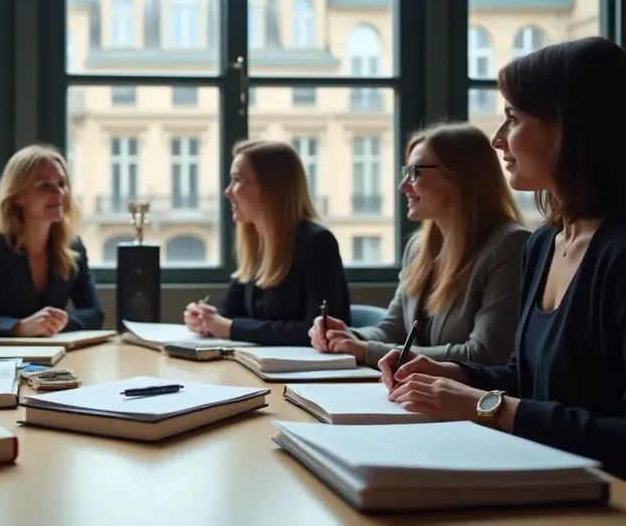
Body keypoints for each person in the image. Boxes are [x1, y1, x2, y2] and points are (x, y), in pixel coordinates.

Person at [380, 37, 626, 479]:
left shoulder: (619, 254)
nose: (497, 139)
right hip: (540, 477)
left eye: (512, 118)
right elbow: (525, 380)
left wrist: (482, 405)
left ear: (569, 128)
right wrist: (454, 373)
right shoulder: (543, 244)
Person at [307, 123, 529, 368]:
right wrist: (349, 337)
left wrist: (367, 350)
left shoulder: (511, 246)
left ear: (460, 177)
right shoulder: (418, 247)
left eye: (415, 172)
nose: (403, 186)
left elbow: (484, 355)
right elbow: (393, 330)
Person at [183, 140, 350, 345]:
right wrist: (205, 318)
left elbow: (315, 330)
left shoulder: (317, 243)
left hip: (305, 374)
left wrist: (228, 327)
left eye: (237, 180)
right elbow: (231, 311)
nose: (228, 192)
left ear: (271, 189)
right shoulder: (256, 241)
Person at [0, 144, 103, 342]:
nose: (59, 192)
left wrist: (56, 323)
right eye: (45, 185)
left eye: (62, 183)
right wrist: (19, 327)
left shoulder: (73, 247)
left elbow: (95, 313)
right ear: (19, 196)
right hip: (0, 361)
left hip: (57, 356)